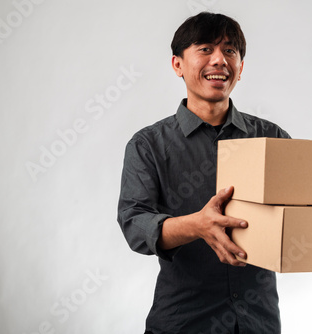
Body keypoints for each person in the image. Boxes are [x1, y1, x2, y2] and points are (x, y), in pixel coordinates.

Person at [117, 12, 290, 334]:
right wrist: (196, 225)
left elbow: (299, 211)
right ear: (177, 65)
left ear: (240, 68)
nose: (220, 60)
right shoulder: (148, 144)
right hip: (184, 321)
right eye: (206, 49)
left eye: (230, 51)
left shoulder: (272, 138)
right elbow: (134, 225)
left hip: (258, 320)